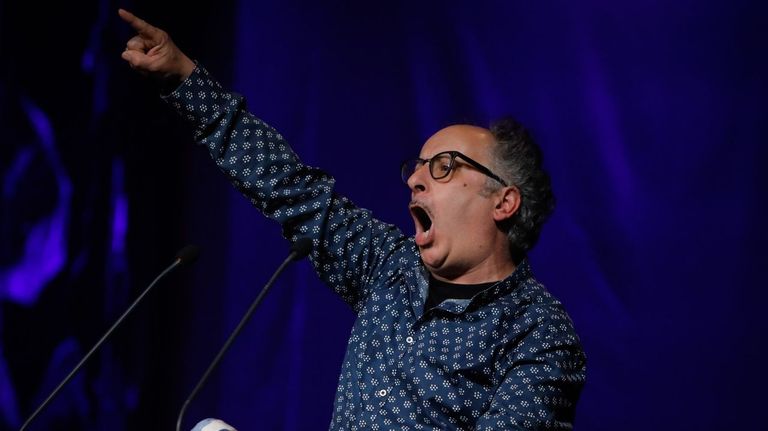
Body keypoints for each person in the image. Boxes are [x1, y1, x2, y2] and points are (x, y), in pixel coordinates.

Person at [119, 8, 586, 430]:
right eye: (417, 168)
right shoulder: (388, 266)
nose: (416, 181)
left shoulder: (539, 333)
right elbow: (291, 188)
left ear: (503, 203)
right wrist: (185, 78)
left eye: (443, 166)